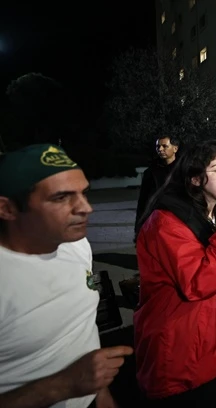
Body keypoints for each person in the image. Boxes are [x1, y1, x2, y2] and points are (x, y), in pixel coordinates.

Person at [134, 139, 216, 407]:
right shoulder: (166, 222)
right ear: (195, 178)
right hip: (182, 356)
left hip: (215, 346)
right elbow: (198, 282)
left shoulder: (213, 214)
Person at [0, 144, 132, 408]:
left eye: (84, 193)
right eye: (61, 197)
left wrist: (100, 393)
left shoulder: (75, 245)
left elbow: (81, 330)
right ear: (7, 209)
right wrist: (62, 386)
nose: (85, 208)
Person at [135, 135, 180, 235]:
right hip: (156, 219)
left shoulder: (184, 171)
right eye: (157, 147)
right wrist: (138, 228)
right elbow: (143, 201)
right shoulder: (150, 172)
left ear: (175, 148)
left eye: (164, 146)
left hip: (179, 219)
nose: (160, 149)